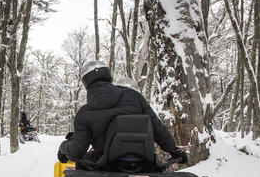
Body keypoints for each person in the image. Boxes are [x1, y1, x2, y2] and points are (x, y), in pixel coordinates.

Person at [57, 60, 187, 167]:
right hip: (144, 163)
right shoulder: (135, 96)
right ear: (108, 76)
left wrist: (63, 147)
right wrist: (173, 150)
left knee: (80, 165)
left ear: (86, 83)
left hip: (107, 164)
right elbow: (157, 127)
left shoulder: (85, 112)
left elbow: (77, 151)